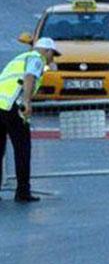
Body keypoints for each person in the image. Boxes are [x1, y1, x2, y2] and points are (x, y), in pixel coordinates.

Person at [0, 37, 61, 202]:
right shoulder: (36, 58)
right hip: (13, 106)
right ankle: (23, 192)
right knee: (22, 150)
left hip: (1, 105)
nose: (52, 59)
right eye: (52, 54)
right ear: (46, 51)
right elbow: (29, 77)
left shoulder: (20, 58)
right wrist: (27, 102)